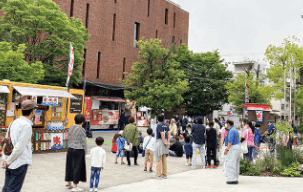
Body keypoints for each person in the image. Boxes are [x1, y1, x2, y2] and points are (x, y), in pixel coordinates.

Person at [1, 100, 35, 192]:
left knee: (6, 188)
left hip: (9, 161)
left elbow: (6, 141)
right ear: (33, 111)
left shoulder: (13, 122)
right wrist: (7, 161)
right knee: (13, 189)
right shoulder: (27, 126)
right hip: (19, 163)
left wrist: (4, 158)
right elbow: (19, 148)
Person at [65, 114, 88, 192]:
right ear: (82, 121)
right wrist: (86, 151)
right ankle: (75, 186)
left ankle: (68, 183)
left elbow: (68, 137)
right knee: (77, 167)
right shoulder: (81, 129)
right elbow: (84, 141)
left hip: (70, 148)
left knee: (70, 166)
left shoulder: (71, 127)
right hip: (78, 149)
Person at [224, 119, 241, 185]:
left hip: (233, 148)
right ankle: (235, 178)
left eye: (226, 123)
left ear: (228, 124)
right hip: (237, 147)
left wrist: (226, 149)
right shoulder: (234, 130)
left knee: (230, 164)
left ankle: (231, 179)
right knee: (235, 164)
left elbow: (230, 141)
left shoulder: (231, 131)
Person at [155, 114, 171, 179]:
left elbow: (162, 133)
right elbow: (169, 133)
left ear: (157, 119)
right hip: (166, 142)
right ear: (163, 119)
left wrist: (164, 142)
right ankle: (164, 174)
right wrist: (168, 142)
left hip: (160, 142)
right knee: (164, 159)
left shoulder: (158, 125)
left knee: (158, 158)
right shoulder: (166, 125)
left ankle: (158, 175)